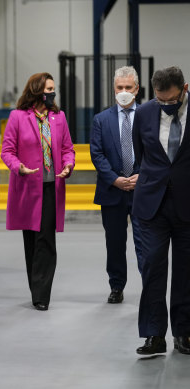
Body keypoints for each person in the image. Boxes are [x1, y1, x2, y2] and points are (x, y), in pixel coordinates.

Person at [0, 72, 75, 311]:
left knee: (46, 239)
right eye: (48, 89)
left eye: (54, 89)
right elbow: (7, 151)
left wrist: (68, 164)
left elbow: (68, 149)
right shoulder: (18, 117)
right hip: (28, 188)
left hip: (51, 187)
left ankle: (42, 294)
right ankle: (36, 287)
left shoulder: (59, 117)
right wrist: (17, 167)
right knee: (32, 240)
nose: (52, 93)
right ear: (36, 91)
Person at [132, 66, 190, 356]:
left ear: (185, 88)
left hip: (187, 205)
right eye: (160, 100)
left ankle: (185, 332)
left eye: (172, 100)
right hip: (151, 204)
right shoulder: (143, 114)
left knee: (186, 270)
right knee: (152, 266)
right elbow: (141, 156)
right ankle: (154, 334)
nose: (167, 105)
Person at [90, 66, 144, 304]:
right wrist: (114, 178)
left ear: (137, 89)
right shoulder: (101, 120)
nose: (123, 92)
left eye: (128, 88)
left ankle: (150, 285)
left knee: (146, 242)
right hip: (112, 190)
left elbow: (155, 151)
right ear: (114, 89)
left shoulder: (147, 116)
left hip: (143, 190)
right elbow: (97, 154)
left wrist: (142, 175)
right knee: (114, 242)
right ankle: (116, 286)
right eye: (119, 88)